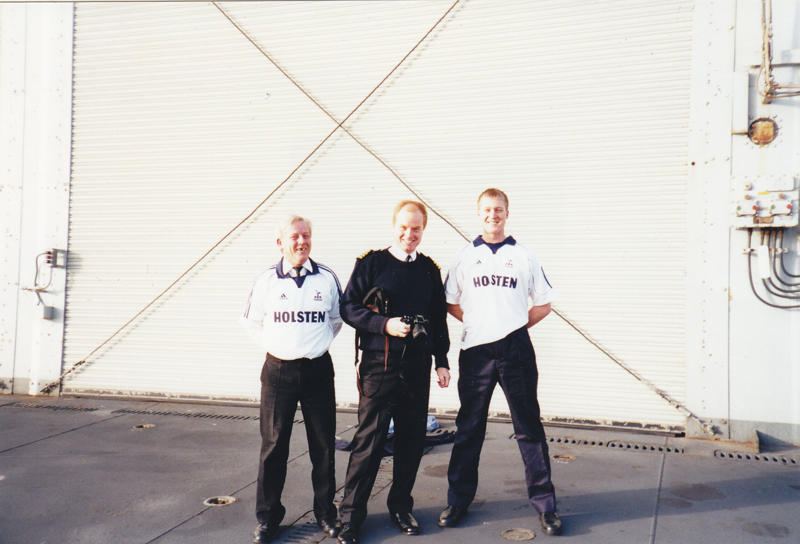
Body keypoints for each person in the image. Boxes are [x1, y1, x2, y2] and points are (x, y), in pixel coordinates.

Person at [437, 188, 562, 536]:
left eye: (499, 210)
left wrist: (513, 327)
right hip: (477, 351)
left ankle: (545, 505)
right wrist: (481, 324)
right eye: (487, 210)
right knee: (469, 428)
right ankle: (458, 501)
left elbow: (544, 303)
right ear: (479, 213)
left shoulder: (524, 256)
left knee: (528, 428)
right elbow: (450, 302)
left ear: (508, 213)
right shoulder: (465, 256)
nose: (493, 215)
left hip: (516, 350)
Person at [336, 200, 450, 544]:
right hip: (378, 366)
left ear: (423, 229)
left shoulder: (429, 269)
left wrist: (442, 360)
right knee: (367, 443)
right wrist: (384, 324)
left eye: (416, 228)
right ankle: (351, 517)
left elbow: (439, 317)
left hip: (416, 368)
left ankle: (401, 506)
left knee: (411, 443)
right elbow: (348, 308)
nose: (409, 234)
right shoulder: (371, 263)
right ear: (394, 225)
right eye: (403, 227)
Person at [241, 215, 343, 544]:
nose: (301, 242)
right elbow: (252, 322)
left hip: (316, 370)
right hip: (278, 372)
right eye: (295, 237)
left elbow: (336, 320)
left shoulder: (326, 278)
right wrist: (279, 348)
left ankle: (326, 513)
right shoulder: (267, 281)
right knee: (273, 448)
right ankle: (268, 518)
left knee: (324, 446)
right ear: (280, 243)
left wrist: (311, 346)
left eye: (306, 236)